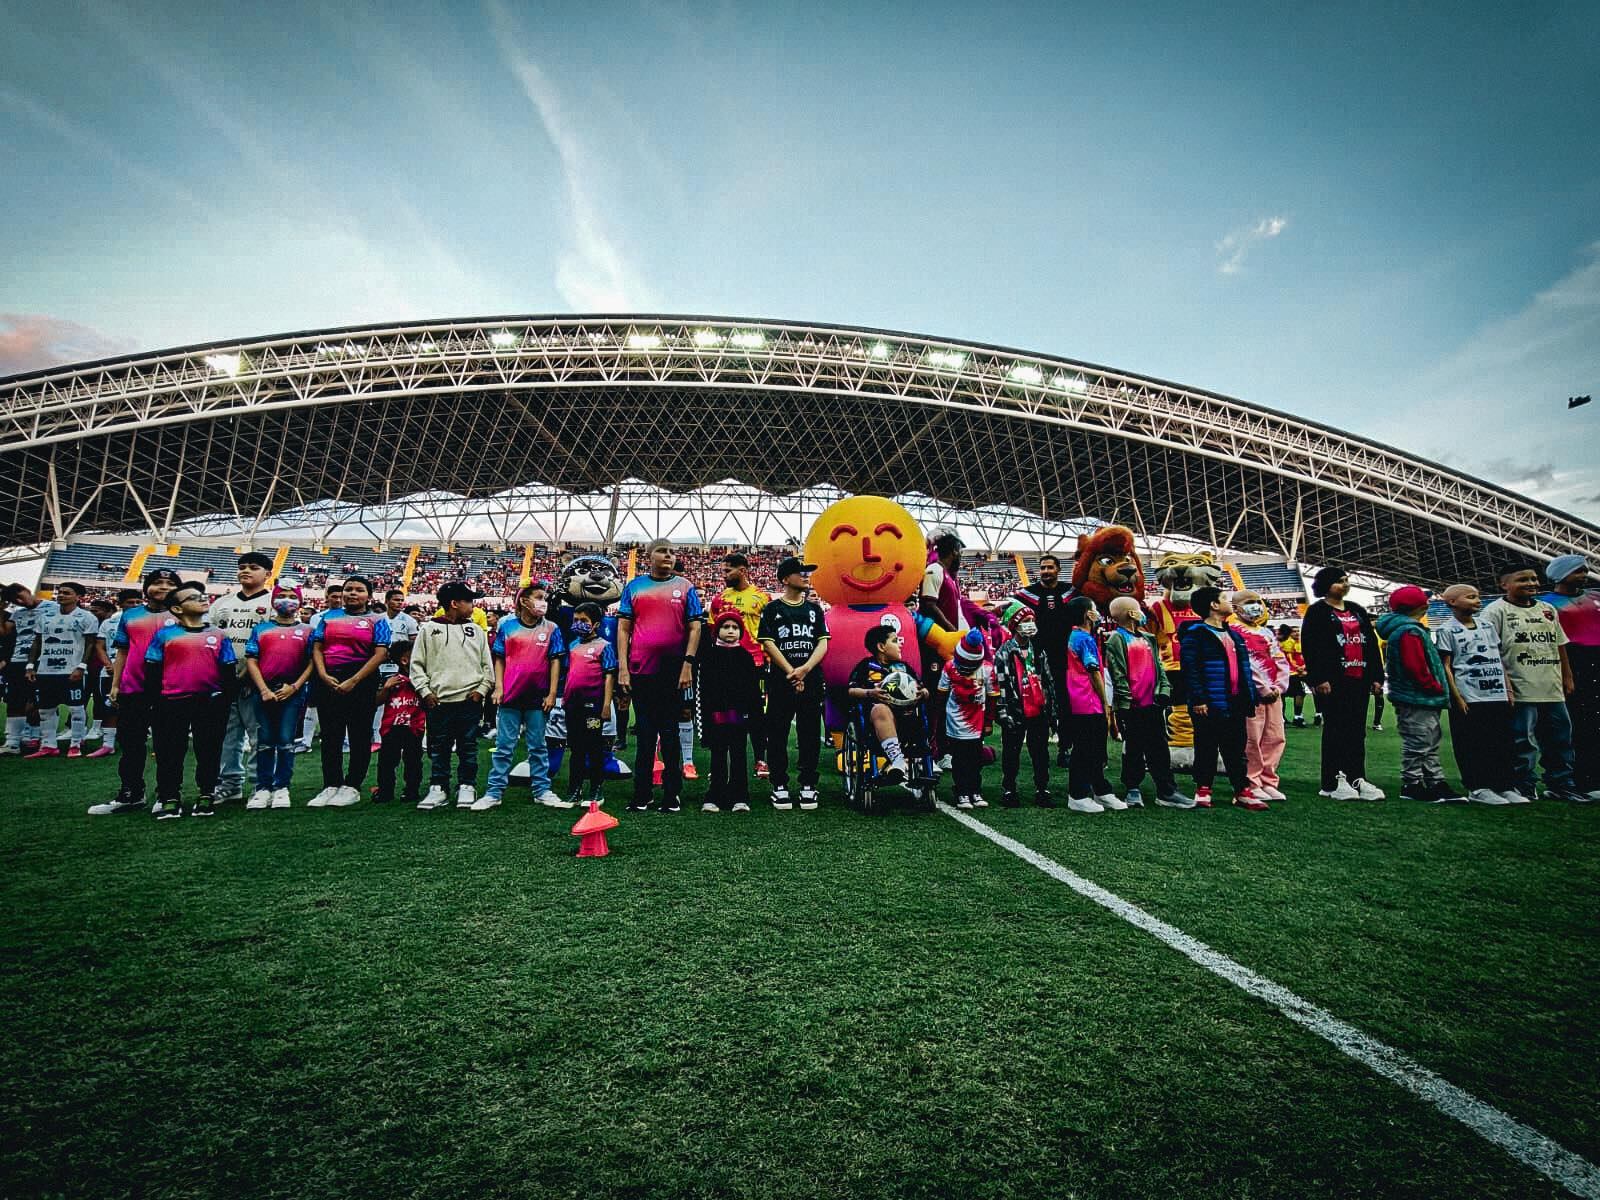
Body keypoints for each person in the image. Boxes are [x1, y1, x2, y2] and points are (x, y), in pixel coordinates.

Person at [617, 539, 705, 814]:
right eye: (662, 551)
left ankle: (672, 794)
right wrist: (623, 667)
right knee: (644, 735)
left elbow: (695, 628)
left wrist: (688, 664)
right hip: (642, 670)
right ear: (649, 556)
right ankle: (642, 793)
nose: (668, 556)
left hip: (674, 673)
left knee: (670, 734)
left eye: (671, 552)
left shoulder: (685, 587)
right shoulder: (634, 587)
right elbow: (623, 629)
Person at [1483, 562, 1581, 802]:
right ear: (1504, 584)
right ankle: (1524, 785)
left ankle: (1560, 784)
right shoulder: (1495, 612)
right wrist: (1504, 684)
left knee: (1560, 739)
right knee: (1523, 741)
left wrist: (1567, 676)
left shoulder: (1547, 609)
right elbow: (1491, 651)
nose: (1531, 584)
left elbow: (1559, 644)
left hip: (1552, 686)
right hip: (1520, 687)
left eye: (1534, 579)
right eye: (1523, 579)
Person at [88, 569, 180, 815]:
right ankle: (131, 794)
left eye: (170, 583)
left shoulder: (182, 614)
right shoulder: (130, 615)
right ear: (146, 587)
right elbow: (123, 652)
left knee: (167, 745)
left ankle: (167, 794)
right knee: (131, 744)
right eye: (157, 582)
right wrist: (116, 684)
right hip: (133, 688)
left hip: (170, 689)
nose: (163, 587)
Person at [144, 582, 238, 819]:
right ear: (177, 609)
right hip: (171, 702)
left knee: (208, 750)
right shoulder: (165, 635)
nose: (202, 599)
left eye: (202, 595)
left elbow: (228, 671)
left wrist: (224, 701)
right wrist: (155, 702)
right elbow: (152, 670)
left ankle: (206, 794)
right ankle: (170, 797)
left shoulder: (218, 635)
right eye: (193, 597)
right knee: (170, 752)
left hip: (209, 702)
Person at [1300, 566, 1386, 801]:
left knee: (1357, 732)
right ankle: (1332, 780)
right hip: (1333, 681)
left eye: (1346, 580)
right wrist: (1318, 677)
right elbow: (1311, 646)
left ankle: (1357, 776)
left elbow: (1370, 645)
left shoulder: (1357, 610)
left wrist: (1377, 676)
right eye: (1339, 581)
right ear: (1326, 585)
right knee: (1335, 729)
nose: (1345, 584)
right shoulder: (1317, 612)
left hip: (1358, 679)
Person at [481, 582, 567, 811]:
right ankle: (494, 792)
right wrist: (498, 687)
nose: (543, 602)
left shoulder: (552, 629)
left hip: (538, 699)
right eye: (538, 597)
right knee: (504, 746)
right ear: (524, 601)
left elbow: (555, 660)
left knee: (538, 747)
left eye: (545, 597)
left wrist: (551, 693)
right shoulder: (508, 628)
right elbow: (499, 658)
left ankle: (542, 790)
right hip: (510, 696)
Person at [1103, 596, 1194, 809]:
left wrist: (1163, 690)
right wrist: (1126, 699)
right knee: (1133, 747)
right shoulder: (1116, 639)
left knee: (1159, 746)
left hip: (1153, 703)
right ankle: (1132, 787)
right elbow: (1118, 672)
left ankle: (1166, 790)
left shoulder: (1148, 638)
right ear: (1130, 613)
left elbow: (1159, 667)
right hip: (1132, 706)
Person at [308, 576, 391, 808]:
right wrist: (323, 675)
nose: (352, 593)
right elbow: (317, 648)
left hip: (361, 680)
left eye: (359, 590)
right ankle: (331, 784)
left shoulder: (377, 620)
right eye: (348, 589)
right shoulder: (327, 618)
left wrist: (354, 680)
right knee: (331, 735)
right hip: (329, 678)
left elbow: (380, 653)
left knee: (359, 734)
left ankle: (352, 785)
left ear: (369, 596)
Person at [1180, 587, 1266, 810]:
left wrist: (1249, 696)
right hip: (1208, 704)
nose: (1230, 603)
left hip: (1235, 702)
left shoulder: (1234, 635)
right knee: (1206, 747)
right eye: (1224, 599)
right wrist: (1198, 699)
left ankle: (1242, 790)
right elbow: (1190, 670)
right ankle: (1203, 789)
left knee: (1236, 749)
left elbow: (1244, 669)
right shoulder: (1195, 635)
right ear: (1214, 605)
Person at [1376, 586, 1463, 803]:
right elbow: (1415, 666)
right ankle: (1412, 783)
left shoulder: (1407, 630)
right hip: (1417, 695)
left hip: (1415, 695)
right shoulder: (1410, 631)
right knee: (1420, 741)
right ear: (1422, 606)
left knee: (1427, 740)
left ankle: (1435, 781)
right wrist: (1433, 686)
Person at [412, 582, 495, 810]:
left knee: (468, 746)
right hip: (438, 701)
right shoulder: (428, 629)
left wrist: (481, 690)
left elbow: (487, 665)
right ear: (454, 603)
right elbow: (416, 665)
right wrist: (425, 691)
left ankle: (467, 785)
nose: (473, 606)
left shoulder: (477, 630)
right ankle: (438, 787)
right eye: (469, 601)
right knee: (439, 747)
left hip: (469, 700)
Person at [1434, 584, 1519, 804]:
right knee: (1473, 743)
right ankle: (1478, 787)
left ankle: (1504, 785)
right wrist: (1457, 697)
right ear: (1452, 601)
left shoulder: (1487, 626)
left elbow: (1499, 659)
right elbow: (1446, 666)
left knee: (1501, 741)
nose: (1477, 601)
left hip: (1496, 693)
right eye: (1471, 597)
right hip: (1470, 695)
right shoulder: (1446, 629)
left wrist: (1508, 688)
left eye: (1478, 597)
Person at [757, 556, 828, 810]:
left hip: (811, 678)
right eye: (801, 573)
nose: (806, 576)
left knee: (809, 733)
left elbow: (822, 642)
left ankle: (808, 783)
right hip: (780, 679)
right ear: (786, 579)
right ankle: (779, 784)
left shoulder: (814, 609)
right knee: (777, 733)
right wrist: (791, 672)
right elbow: (767, 642)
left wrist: (805, 669)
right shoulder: (773, 609)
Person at [207, 552, 276, 802]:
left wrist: (249, 674)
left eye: (253, 567)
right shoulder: (221, 604)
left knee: (259, 734)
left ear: (267, 574)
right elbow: (210, 639)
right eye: (242, 567)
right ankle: (231, 784)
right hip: (223, 679)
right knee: (228, 734)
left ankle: (260, 784)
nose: (246, 571)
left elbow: (273, 644)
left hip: (257, 681)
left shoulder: (272, 604)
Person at [242, 584, 314, 809]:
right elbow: (252, 660)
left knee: (285, 741)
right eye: (281, 596)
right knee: (264, 741)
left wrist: (294, 687)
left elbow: (312, 662)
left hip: (291, 693)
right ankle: (263, 788)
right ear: (273, 601)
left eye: (292, 597)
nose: (287, 600)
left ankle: (282, 787)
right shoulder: (261, 629)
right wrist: (263, 689)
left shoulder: (307, 631)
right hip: (263, 692)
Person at [1540, 555, 1600, 800]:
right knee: (1573, 724)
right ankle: (1572, 778)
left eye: (1585, 570)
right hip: (1571, 662)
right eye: (1577, 571)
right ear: (1559, 575)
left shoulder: (1595, 596)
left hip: (1596, 660)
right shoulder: (1546, 604)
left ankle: (1592, 777)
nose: (1584, 575)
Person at [992, 600, 1057, 808]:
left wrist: (1051, 708)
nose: (1030, 624)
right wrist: (1003, 712)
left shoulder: (1038, 650)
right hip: (1015, 709)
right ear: (1015, 625)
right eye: (1026, 621)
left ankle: (1042, 788)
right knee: (1012, 752)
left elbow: (1047, 679)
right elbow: (1000, 684)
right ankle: (1010, 789)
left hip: (1038, 709)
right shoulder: (1004, 652)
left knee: (1040, 753)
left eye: (1032, 620)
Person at [24, 581, 100, 758]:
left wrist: (81, 667)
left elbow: (90, 644)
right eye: (60, 592)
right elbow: (37, 642)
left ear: (78, 597)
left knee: (76, 708)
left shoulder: (86, 617)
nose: (61, 595)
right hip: (46, 670)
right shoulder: (46, 616)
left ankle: (76, 744)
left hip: (71, 670)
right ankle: (49, 745)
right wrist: (30, 665)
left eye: (67, 592)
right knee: (45, 709)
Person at [1229, 592, 1292, 801]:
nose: (1255, 607)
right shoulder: (1235, 631)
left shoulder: (1267, 632)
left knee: (1274, 737)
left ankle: (1269, 780)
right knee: (1252, 739)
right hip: (1252, 694)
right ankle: (1252, 781)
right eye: (1249, 603)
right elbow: (1247, 663)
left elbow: (1279, 659)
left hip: (1273, 694)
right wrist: (1262, 688)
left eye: (1258, 602)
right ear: (1236, 607)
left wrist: (1279, 686)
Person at [697, 612, 762, 812]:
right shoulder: (709, 656)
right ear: (717, 630)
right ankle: (715, 795)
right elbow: (704, 690)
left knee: (738, 754)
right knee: (718, 755)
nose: (731, 631)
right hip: (716, 715)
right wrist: (705, 720)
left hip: (739, 716)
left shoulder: (745, 657)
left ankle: (739, 796)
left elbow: (752, 690)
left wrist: (754, 717)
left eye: (735, 627)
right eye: (726, 627)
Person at [713, 552, 770, 779]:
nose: (724, 575)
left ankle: (760, 759)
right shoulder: (720, 599)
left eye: (728, 571)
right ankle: (722, 763)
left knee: (756, 714)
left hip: (755, 664)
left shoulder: (762, 598)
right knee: (725, 713)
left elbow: (768, 632)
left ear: (743, 570)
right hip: (726, 664)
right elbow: (713, 630)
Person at [845, 626, 927, 784]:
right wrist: (870, 692)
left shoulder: (904, 668)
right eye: (895, 641)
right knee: (881, 709)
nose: (900, 645)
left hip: (907, 719)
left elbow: (923, 688)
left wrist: (923, 693)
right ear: (881, 647)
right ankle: (898, 761)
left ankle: (919, 761)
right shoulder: (865, 666)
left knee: (921, 713)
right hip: (875, 722)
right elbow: (851, 690)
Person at [1060, 596, 1119, 813]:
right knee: (1086, 749)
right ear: (1087, 614)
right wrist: (1105, 703)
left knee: (1094, 749)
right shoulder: (1084, 639)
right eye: (1094, 609)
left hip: (1083, 700)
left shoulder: (1078, 636)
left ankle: (1100, 790)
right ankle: (1077, 794)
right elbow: (1093, 671)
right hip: (1087, 700)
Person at [1014, 553, 1073, 767]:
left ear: (1058, 569)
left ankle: (1065, 747)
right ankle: (1035, 747)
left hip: (1064, 657)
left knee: (1065, 700)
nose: (1046, 571)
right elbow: (1010, 612)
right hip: (1034, 655)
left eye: (1050, 567)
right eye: (1042, 568)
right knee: (1033, 699)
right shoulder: (1027, 594)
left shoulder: (1070, 591)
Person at [561, 601, 618, 808]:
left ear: (595, 624)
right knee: (576, 749)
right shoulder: (573, 645)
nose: (578, 624)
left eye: (583, 621)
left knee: (593, 748)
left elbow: (609, 677)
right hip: (572, 706)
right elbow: (570, 674)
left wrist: (606, 705)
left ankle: (596, 790)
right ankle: (574, 791)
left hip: (593, 706)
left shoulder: (605, 646)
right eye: (576, 620)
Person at [937, 628, 995, 810]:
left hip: (977, 723)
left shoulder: (986, 669)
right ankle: (962, 792)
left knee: (975, 758)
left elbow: (993, 696)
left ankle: (975, 791)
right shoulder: (949, 667)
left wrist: (988, 722)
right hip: (955, 722)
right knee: (959, 759)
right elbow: (941, 694)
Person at [2, 582, 56, 754]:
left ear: (27, 590)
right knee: (15, 700)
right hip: (18, 660)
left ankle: (42, 738)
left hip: (44, 660)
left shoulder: (53, 607)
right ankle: (12, 742)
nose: (19, 601)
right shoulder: (17, 615)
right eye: (14, 601)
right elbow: (4, 633)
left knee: (42, 701)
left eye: (20, 596)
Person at [375, 641, 426, 807]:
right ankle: (385, 791)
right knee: (387, 761)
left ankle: (412, 790)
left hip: (414, 726)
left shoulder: (422, 680)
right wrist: (386, 688)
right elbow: (377, 701)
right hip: (392, 726)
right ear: (404, 660)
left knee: (413, 759)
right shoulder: (391, 680)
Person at [296, 580, 343, 754]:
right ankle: (306, 741)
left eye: (340, 597)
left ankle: (339, 739)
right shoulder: (317, 618)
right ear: (327, 598)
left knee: (340, 702)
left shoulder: (348, 617)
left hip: (340, 665)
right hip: (319, 664)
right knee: (313, 702)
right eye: (334, 597)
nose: (337, 600)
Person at [371, 589, 421, 752]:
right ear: (387, 601)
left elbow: (414, 645)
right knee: (381, 699)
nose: (400, 603)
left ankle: (405, 733)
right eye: (396, 600)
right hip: (379, 663)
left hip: (400, 666)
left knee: (402, 700)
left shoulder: (409, 621)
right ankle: (378, 737)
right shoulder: (378, 619)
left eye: (402, 600)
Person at [1279, 624, 1314, 726]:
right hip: (1291, 672)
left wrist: (1303, 666)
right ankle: (1296, 717)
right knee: (1299, 693)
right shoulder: (1288, 643)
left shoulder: (1299, 642)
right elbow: (1289, 659)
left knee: (1291, 694)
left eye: (1298, 631)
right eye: (1294, 631)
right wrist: (1298, 668)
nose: (1297, 633)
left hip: (1295, 671)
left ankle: (1286, 717)